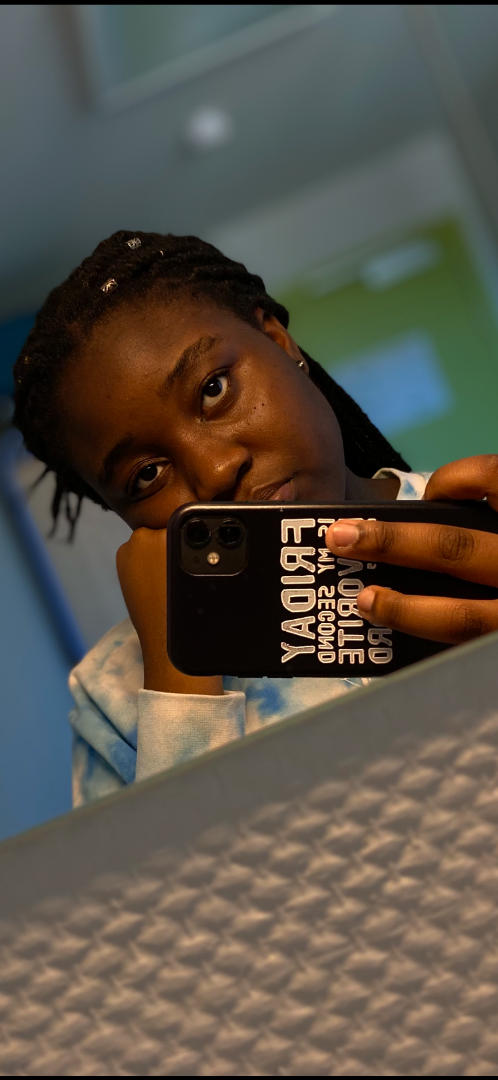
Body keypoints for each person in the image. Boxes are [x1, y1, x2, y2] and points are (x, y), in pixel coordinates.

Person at [13, 231, 498, 805]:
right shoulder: (115, 695)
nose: (216, 471)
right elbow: (182, 867)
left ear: (279, 341)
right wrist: (180, 686)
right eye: (146, 475)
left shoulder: (486, 522)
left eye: (213, 389)